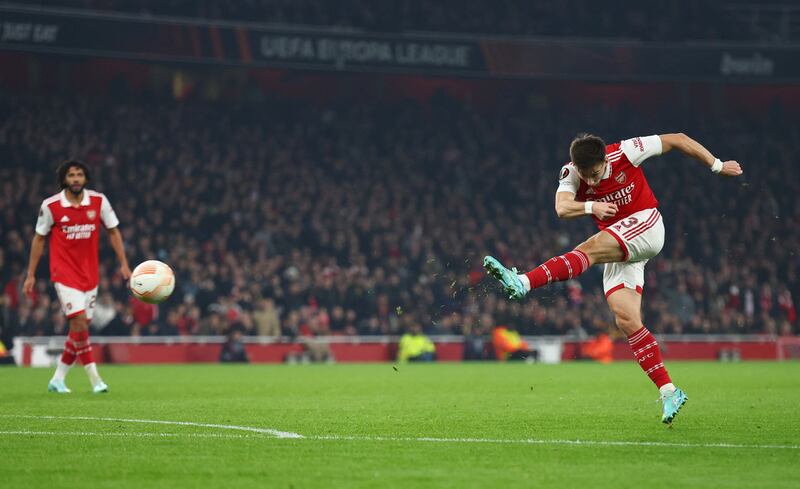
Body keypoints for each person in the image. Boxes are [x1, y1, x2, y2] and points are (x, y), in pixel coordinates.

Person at [484, 133, 743, 424]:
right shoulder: (571, 173)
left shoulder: (626, 152)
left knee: (588, 249)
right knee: (627, 320)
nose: (591, 182)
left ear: (605, 160)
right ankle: (669, 390)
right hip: (622, 243)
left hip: (647, 225)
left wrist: (718, 165)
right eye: (586, 175)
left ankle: (524, 282)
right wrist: (590, 206)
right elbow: (561, 208)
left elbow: (678, 139)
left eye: (595, 174)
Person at [23, 160, 131, 393]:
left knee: (79, 329)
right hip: (64, 274)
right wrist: (30, 274)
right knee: (80, 323)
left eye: (79, 174)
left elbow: (113, 231)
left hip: (90, 275)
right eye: (71, 175)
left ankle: (57, 379)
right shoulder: (51, 206)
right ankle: (95, 379)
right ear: (64, 179)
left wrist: (124, 263)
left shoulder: (99, 201)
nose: (75, 179)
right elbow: (39, 239)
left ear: (85, 178)